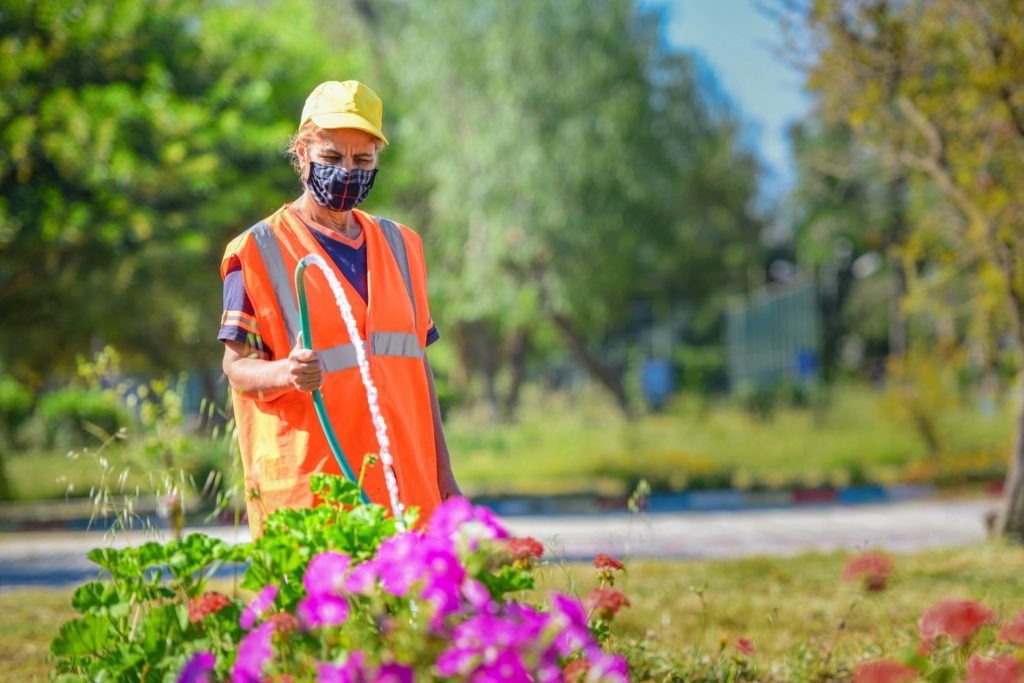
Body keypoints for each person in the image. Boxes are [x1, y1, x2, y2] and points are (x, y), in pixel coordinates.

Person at [218, 80, 460, 536]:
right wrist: (285, 372)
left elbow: (417, 368)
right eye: (331, 157)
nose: (347, 171)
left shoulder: (404, 246)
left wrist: (444, 474)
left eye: (362, 160)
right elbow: (236, 367)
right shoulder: (256, 249)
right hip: (314, 499)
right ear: (302, 152)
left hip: (406, 495)